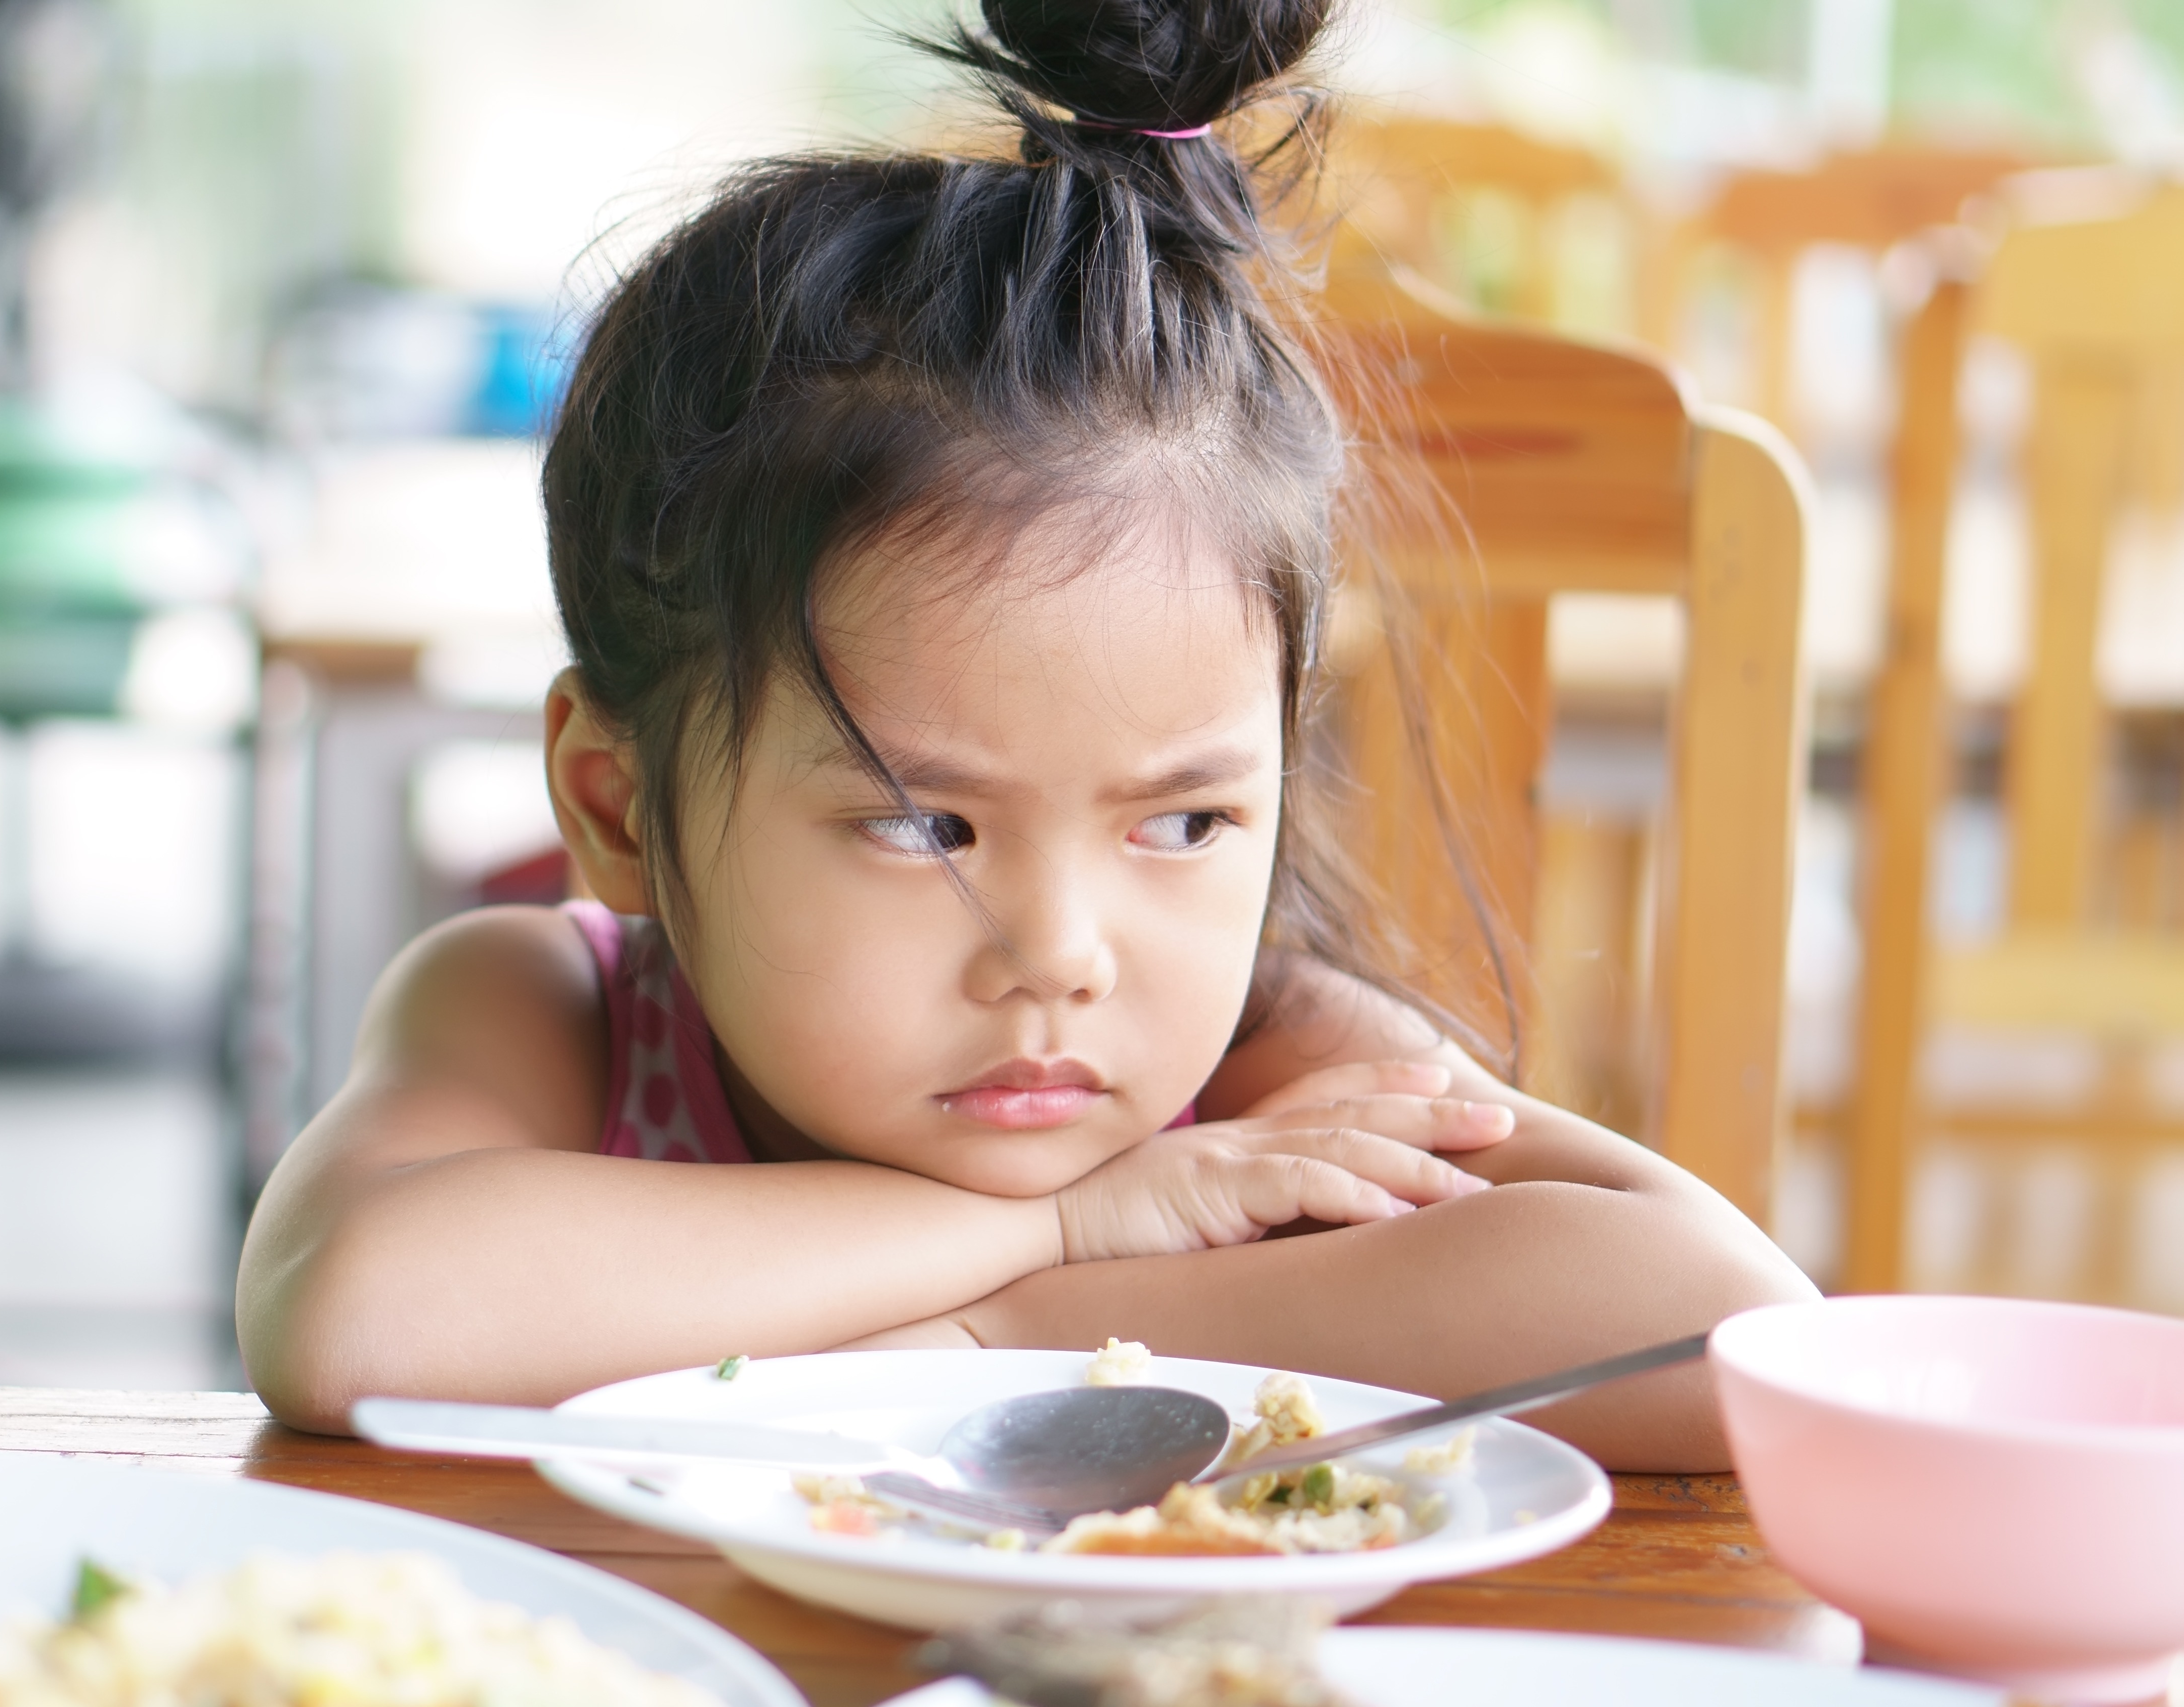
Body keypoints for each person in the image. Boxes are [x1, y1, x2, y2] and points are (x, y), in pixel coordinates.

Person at [238, 0, 1815, 1469]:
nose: (1062, 956)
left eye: (1185, 826)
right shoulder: (552, 1011)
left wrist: (990, 1335)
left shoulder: (1275, 1072)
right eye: (931, 827)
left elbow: (1737, 1336)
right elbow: (359, 1320)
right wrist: (1057, 1234)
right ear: (620, 808)